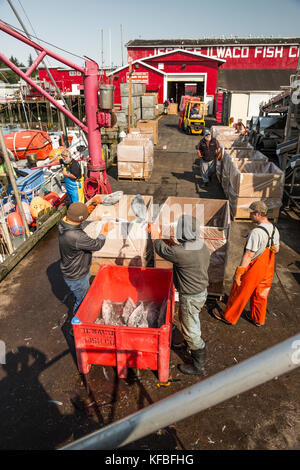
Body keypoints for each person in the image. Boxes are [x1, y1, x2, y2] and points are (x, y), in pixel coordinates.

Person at [151, 214, 211, 376]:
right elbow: (177, 250)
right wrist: (169, 241)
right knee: (190, 320)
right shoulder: (201, 246)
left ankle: (199, 365)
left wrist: (155, 235)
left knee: (191, 329)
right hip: (201, 291)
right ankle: (189, 341)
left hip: (190, 297)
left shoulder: (180, 252)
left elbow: (161, 249)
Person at [212, 201, 280, 327]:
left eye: (252, 213)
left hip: (254, 268)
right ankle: (258, 319)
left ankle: (228, 316)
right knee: (261, 294)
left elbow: (249, 254)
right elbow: (276, 249)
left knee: (239, 291)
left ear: (258, 214)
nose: (250, 216)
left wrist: (239, 272)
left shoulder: (256, 232)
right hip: (267, 269)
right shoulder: (274, 229)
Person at [58, 202, 112, 326]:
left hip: (69, 270)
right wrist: (104, 232)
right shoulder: (76, 236)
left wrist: (88, 209)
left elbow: (77, 218)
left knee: (79, 294)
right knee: (83, 301)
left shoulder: (63, 224)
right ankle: (78, 324)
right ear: (80, 219)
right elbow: (96, 245)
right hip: (77, 275)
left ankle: (77, 301)